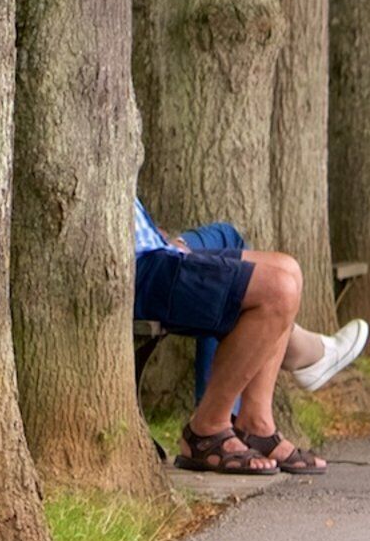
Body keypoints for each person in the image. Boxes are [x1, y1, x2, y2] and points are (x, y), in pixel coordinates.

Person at [131, 201, 357, 475]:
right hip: (137, 269)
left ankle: (255, 422)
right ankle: (207, 428)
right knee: (278, 290)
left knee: (289, 269)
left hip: (159, 253)